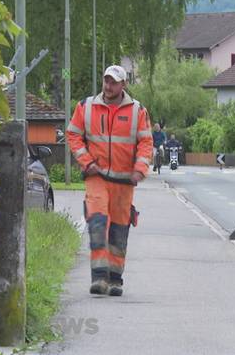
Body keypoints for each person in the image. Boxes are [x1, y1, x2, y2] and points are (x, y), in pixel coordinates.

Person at [66, 65, 153, 296]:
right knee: (97, 224)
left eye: (114, 82)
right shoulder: (86, 107)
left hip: (124, 182)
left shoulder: (137, 111)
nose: (108, 86)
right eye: (106, 81)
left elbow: (146, 143)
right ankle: (99, 278)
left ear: (123, 84)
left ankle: (115, 279)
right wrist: (87, 162)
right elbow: (73, 135)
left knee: (118, 231)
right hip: (97, 177)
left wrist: (139, 169)